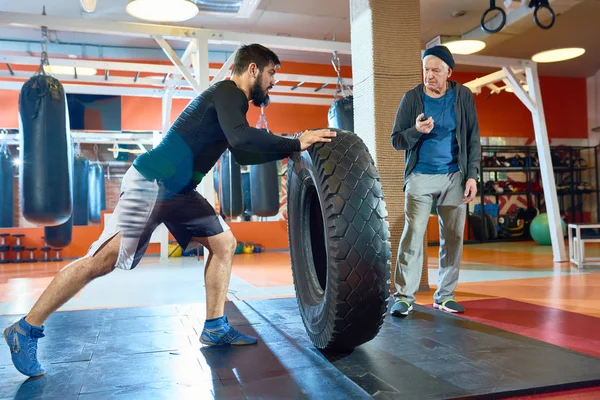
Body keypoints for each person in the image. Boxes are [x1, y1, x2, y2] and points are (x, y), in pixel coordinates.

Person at [4, 43, 336, 377]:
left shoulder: (232, 105)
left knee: (224, 243)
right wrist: (296, 141)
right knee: (101, 261)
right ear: (253, 69)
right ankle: (25, 328)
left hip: (178, 190)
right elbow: (241, 139)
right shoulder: (228, 92)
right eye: (272, 73)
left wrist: (292, 152)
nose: (274, 81)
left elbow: (245, 154)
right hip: (154, 181)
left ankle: (215, 326)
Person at [390, 45, 481, 317]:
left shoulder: (463, 96)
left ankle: (445, 296)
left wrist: (472, 175)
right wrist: (416, 131)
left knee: (453, 237)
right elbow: (396, 140)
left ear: (448, 72)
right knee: (413, 235)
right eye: (426, 70)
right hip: (420, 175)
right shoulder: (411, 98)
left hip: (455, 175)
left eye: (435, 70)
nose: (429, 75)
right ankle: (404, 296)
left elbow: (473, 138)